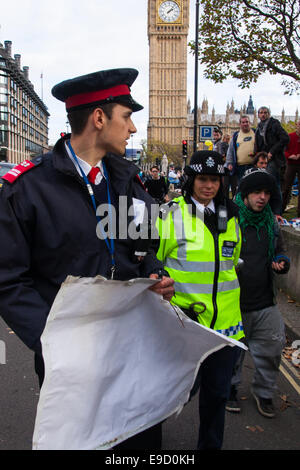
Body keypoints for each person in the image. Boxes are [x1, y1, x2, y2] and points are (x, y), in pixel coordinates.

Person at [0, 68, 174, 450]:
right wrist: (54, 338)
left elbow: (145, 247)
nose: (131, 129)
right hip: (71, 361)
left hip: (133, 350)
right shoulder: (27, 190)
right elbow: (8, 280)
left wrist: (156, 274)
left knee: (137, 443)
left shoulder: (128, 181)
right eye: (126, 117)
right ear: (99, 118)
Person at [156, 150, 244, 450]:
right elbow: (154, 267)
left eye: (215, 180)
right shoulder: (170, 214)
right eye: (203, 179)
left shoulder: (230, 215)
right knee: (171, 395)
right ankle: (142, 438)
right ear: (191, 179)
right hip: (185, 326)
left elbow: (231, 265)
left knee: (217, 396)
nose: (209, 186)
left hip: (226, 328)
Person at [226, 168, 290, 418]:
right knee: (233, 352)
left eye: (266, 193)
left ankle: (264, 392)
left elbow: (280, 251)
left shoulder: (271, 223)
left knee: (273, 349)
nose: (262, 197)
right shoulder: (230, 220)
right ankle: (229, 390)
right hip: (234, 301)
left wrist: (282, 262)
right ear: (245, 194)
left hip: (265, 300)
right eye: (256, 192)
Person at [255, 106, 289, 196]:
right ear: (258, 115)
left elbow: (285, 138)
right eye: (261, 113)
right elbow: (259, 144)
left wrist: (272, 152)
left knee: (271, 184)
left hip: (274, 159)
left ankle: (276, 208)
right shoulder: (259, 128)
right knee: (268, 184)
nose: (263, 115)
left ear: (269, 114)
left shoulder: (274, 124)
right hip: (264, 159)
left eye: (265, 113)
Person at [225, 115, 255, 182]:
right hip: (240, 167)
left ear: (250, 123)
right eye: (243, 122)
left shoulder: (255, 133)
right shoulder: (236, 135)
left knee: (254, 186)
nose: (245, 124)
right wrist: (229, 163)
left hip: (253, 165)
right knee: (241, 187)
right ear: (240, 124)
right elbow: (230, 150)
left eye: (247, 122)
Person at [282, 120, 300, 217]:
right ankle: (281, 208)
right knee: (286, 187)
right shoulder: (290, 136)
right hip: (291, 163)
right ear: (296, 125)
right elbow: (284, 150)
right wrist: (290, 155)